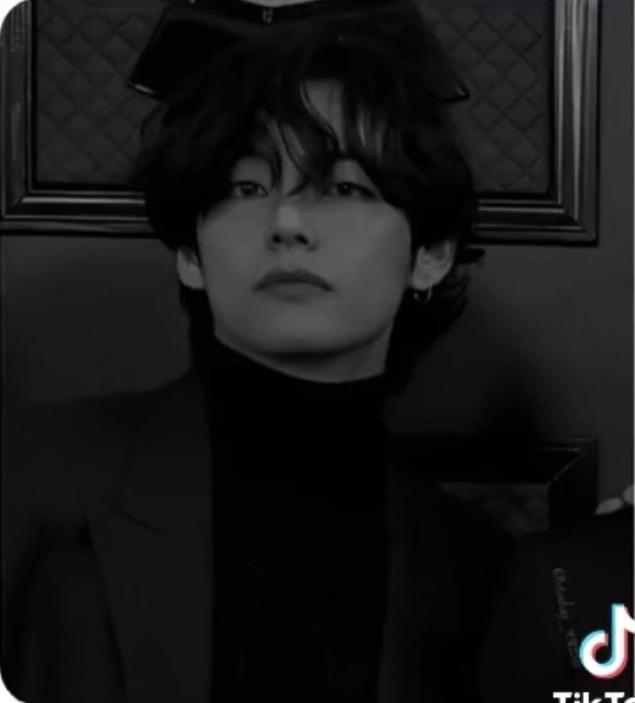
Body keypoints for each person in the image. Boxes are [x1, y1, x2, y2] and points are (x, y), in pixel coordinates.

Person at [4, 3, 515, 702]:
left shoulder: (479, 568)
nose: (287, 222)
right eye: (246, 186)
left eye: (343, 187)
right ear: (190, 252)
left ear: (429, 254)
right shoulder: (28, 480)